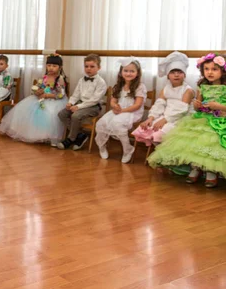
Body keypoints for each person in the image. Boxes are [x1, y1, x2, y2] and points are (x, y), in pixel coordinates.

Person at [148, 53, 226, 188]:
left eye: (214, 69)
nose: (210, 72)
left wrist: (218, 106)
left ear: (223, 71)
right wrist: (197, 105)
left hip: (220, 120)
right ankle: (195, 167)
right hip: (203, 118)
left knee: (211, 141)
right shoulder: (202, 86)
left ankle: (211, 171)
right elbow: (199, 104)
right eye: (206, 69)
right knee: (195, 142)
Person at [0, 54, 67, 144]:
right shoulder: (44, 77)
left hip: (54, 100)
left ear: (59, 67)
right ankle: (33, 134)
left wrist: (47, 95)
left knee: (50, 112)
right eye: (49, 65)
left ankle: (49, 136)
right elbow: (37, 87)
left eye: (54, 66)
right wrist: (37, 92)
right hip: (40, 98)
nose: (51, 68)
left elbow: (61, 94)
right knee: (24, 109)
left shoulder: (59, 79)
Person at [131, 51, 194, 146]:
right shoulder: (165, 89)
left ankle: (163, 152)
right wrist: (151, 118)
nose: (176, 75)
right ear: (168, 75)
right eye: (173, 72)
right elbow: (159, 105)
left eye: (180, 72)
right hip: (166, 115)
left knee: (160, 132)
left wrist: (165, 120)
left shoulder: (187, 90)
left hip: (180, 117)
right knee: (148, 127)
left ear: (184, 75)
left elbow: (182, 110)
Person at [95, 57, 147, 163]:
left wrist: (122, 111)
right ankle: (102, 146)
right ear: (121, 72)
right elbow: (113, 101)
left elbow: (137, 105)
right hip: (119, 111)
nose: (128, 73)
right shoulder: (118, 86)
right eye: (126, 70)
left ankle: (128, 149)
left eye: (132, 71)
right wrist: (114, 106)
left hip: (132, 112)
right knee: (102, 122)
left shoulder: (140, 87)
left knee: (117, 123)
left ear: (137, 73)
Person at [57, 54, 108, 150]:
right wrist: (71, 103)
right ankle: (80, 135)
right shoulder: (81, 80)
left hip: (93, 106)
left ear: (99, 68)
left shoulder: (101, 82)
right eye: (86, 66)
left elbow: (94, 100)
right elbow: (76, 94)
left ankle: (71, 138)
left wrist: (78, 107)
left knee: (75, 115)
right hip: (80, 103)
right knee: (62, 114)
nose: (89, 69)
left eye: (92, 66)